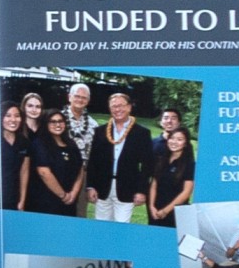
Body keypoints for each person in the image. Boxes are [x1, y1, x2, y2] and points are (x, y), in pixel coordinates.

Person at [86, 88, 156, 224]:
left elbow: (148, 165)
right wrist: (90, 186)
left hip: (127, 189)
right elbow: (93, 161)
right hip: (102, 189)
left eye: (121, 105)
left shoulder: (142, 133)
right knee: (101, 228)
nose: (117, 109)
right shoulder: (100, 131)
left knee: (121, 227)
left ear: (129, 107)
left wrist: (141, 191)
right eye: (114, 106)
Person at [26, 108, 84, 216]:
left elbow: (80, 169)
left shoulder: (71, 144)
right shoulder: (39, 144)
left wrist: (73, 193)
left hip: (69, 202)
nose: (57, 124)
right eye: (52, 121)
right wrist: (63, 195)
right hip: (46, 202)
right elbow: (44, 173)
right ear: (45, 124)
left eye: (60, 121)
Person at [147, 124, 195, 227]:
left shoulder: (190, 164)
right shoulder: (161, 160)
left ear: (185, 143)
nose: (174, 142)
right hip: (155, 210)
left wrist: (165, 211)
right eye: (172, 138)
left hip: (175, 212)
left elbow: (186, 192)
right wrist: (151, 206)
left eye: (179, 139)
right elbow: (153, 184)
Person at [0, 102, 30, 211]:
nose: (13, 120)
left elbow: (24, 172)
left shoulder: (24, 142)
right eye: (8, 115)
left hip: (14, 198)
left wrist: (22, 200)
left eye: (17, 116)